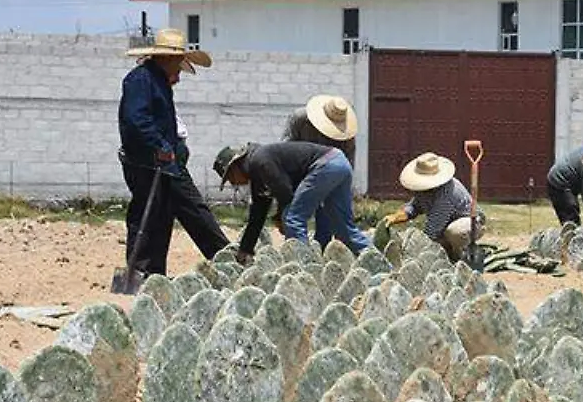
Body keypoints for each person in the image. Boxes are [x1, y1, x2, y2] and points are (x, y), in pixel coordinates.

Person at [119, 28, 229, 276]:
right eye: (178, 65)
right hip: (148, 163)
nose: (179, 72)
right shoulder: (141, 80)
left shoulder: (158, 81)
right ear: (167, 58)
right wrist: (160, 146)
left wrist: (174, 148)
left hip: (165, 163)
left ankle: (154, 273)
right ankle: (140, 273)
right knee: (158, 215)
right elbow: (136, 120)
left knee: (164, 217)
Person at [212, 141, 369, 264]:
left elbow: (286, 193)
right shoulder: (259, 170)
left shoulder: (260, 162)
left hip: (324, 166)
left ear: (236, 166)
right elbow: (257, 216)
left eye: (230, 178)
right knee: (344, 227)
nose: (234, 183)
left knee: (293, 219)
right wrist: (245, 249)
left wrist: (281, 218)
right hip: (339, 163)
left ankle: (303, 268)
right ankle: (374, 259)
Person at [382, 152, 482, 261]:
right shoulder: (425, 190)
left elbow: (432, 231)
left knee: (454, 232)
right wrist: (396, 217)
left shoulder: (448, 193)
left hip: (470, 223)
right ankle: (448, 252)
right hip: (445, 223)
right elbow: (413, 207)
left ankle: (459, 258)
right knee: (441, 237)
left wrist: (414, 254)